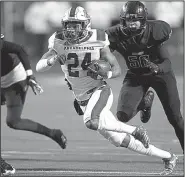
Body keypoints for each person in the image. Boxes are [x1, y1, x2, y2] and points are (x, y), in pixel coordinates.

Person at [36, 6, 178, 175]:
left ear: (85, 25)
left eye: (76, 25)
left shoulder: (98, 39)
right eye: (68, 25)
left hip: (99, 90)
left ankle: (135, 130)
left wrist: (105, 73)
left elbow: (117, 70)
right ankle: (168, 157)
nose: (71, 29)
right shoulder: (57, 41)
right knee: (118, 140)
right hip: (82, 97)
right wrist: (52, 60)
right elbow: (39, 67)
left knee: (91, 122)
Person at [105, 1, 184, 151]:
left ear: (143, 20)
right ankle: (144, 105)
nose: (132, 24)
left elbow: (167, 62)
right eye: (129, 20)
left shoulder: (156, 31)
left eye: (136, 20)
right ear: (123, 20)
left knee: (175, 118)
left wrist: (157, 68)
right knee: (122, 116)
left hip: (161, 75)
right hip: (136, 74)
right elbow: (103, 55)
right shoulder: (114, 34)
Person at [1, 34, 67, 153]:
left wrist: (29, 75)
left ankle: (52, 133)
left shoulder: (5, 47)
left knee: (14, 121)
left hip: (14, 80)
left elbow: (20, 50)